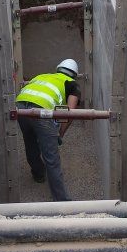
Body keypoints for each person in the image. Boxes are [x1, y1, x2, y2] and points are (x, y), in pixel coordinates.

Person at [16, 59, 80, 201]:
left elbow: (59, 108)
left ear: (58, 69)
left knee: (30, 142)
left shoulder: (42, 76)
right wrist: (60, 134)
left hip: (20, 106)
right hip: (41, 111)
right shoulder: (72, 85)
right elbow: (69, 112)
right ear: (74, 75)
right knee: (52, 159)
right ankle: (61, 201)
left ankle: (38, 174)